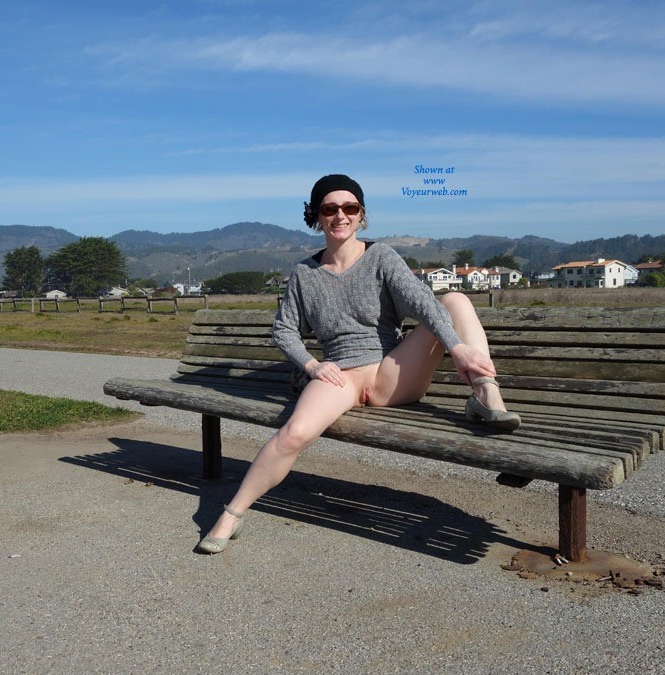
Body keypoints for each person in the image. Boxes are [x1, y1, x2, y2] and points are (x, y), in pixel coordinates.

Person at [197, 174, 520, 554]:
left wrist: (456, 347)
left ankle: (487, 397)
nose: (340, 215)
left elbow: (424, 304)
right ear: (317, 216)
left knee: (456, 301)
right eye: (329, 209)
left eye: (350, 207)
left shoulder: (382, 257)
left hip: (392, 372)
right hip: (340, 377)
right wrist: (312, 366)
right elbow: (284, 330)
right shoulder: (304, 274)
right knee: (294, 432)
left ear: (361, 215)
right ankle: (231, 515)